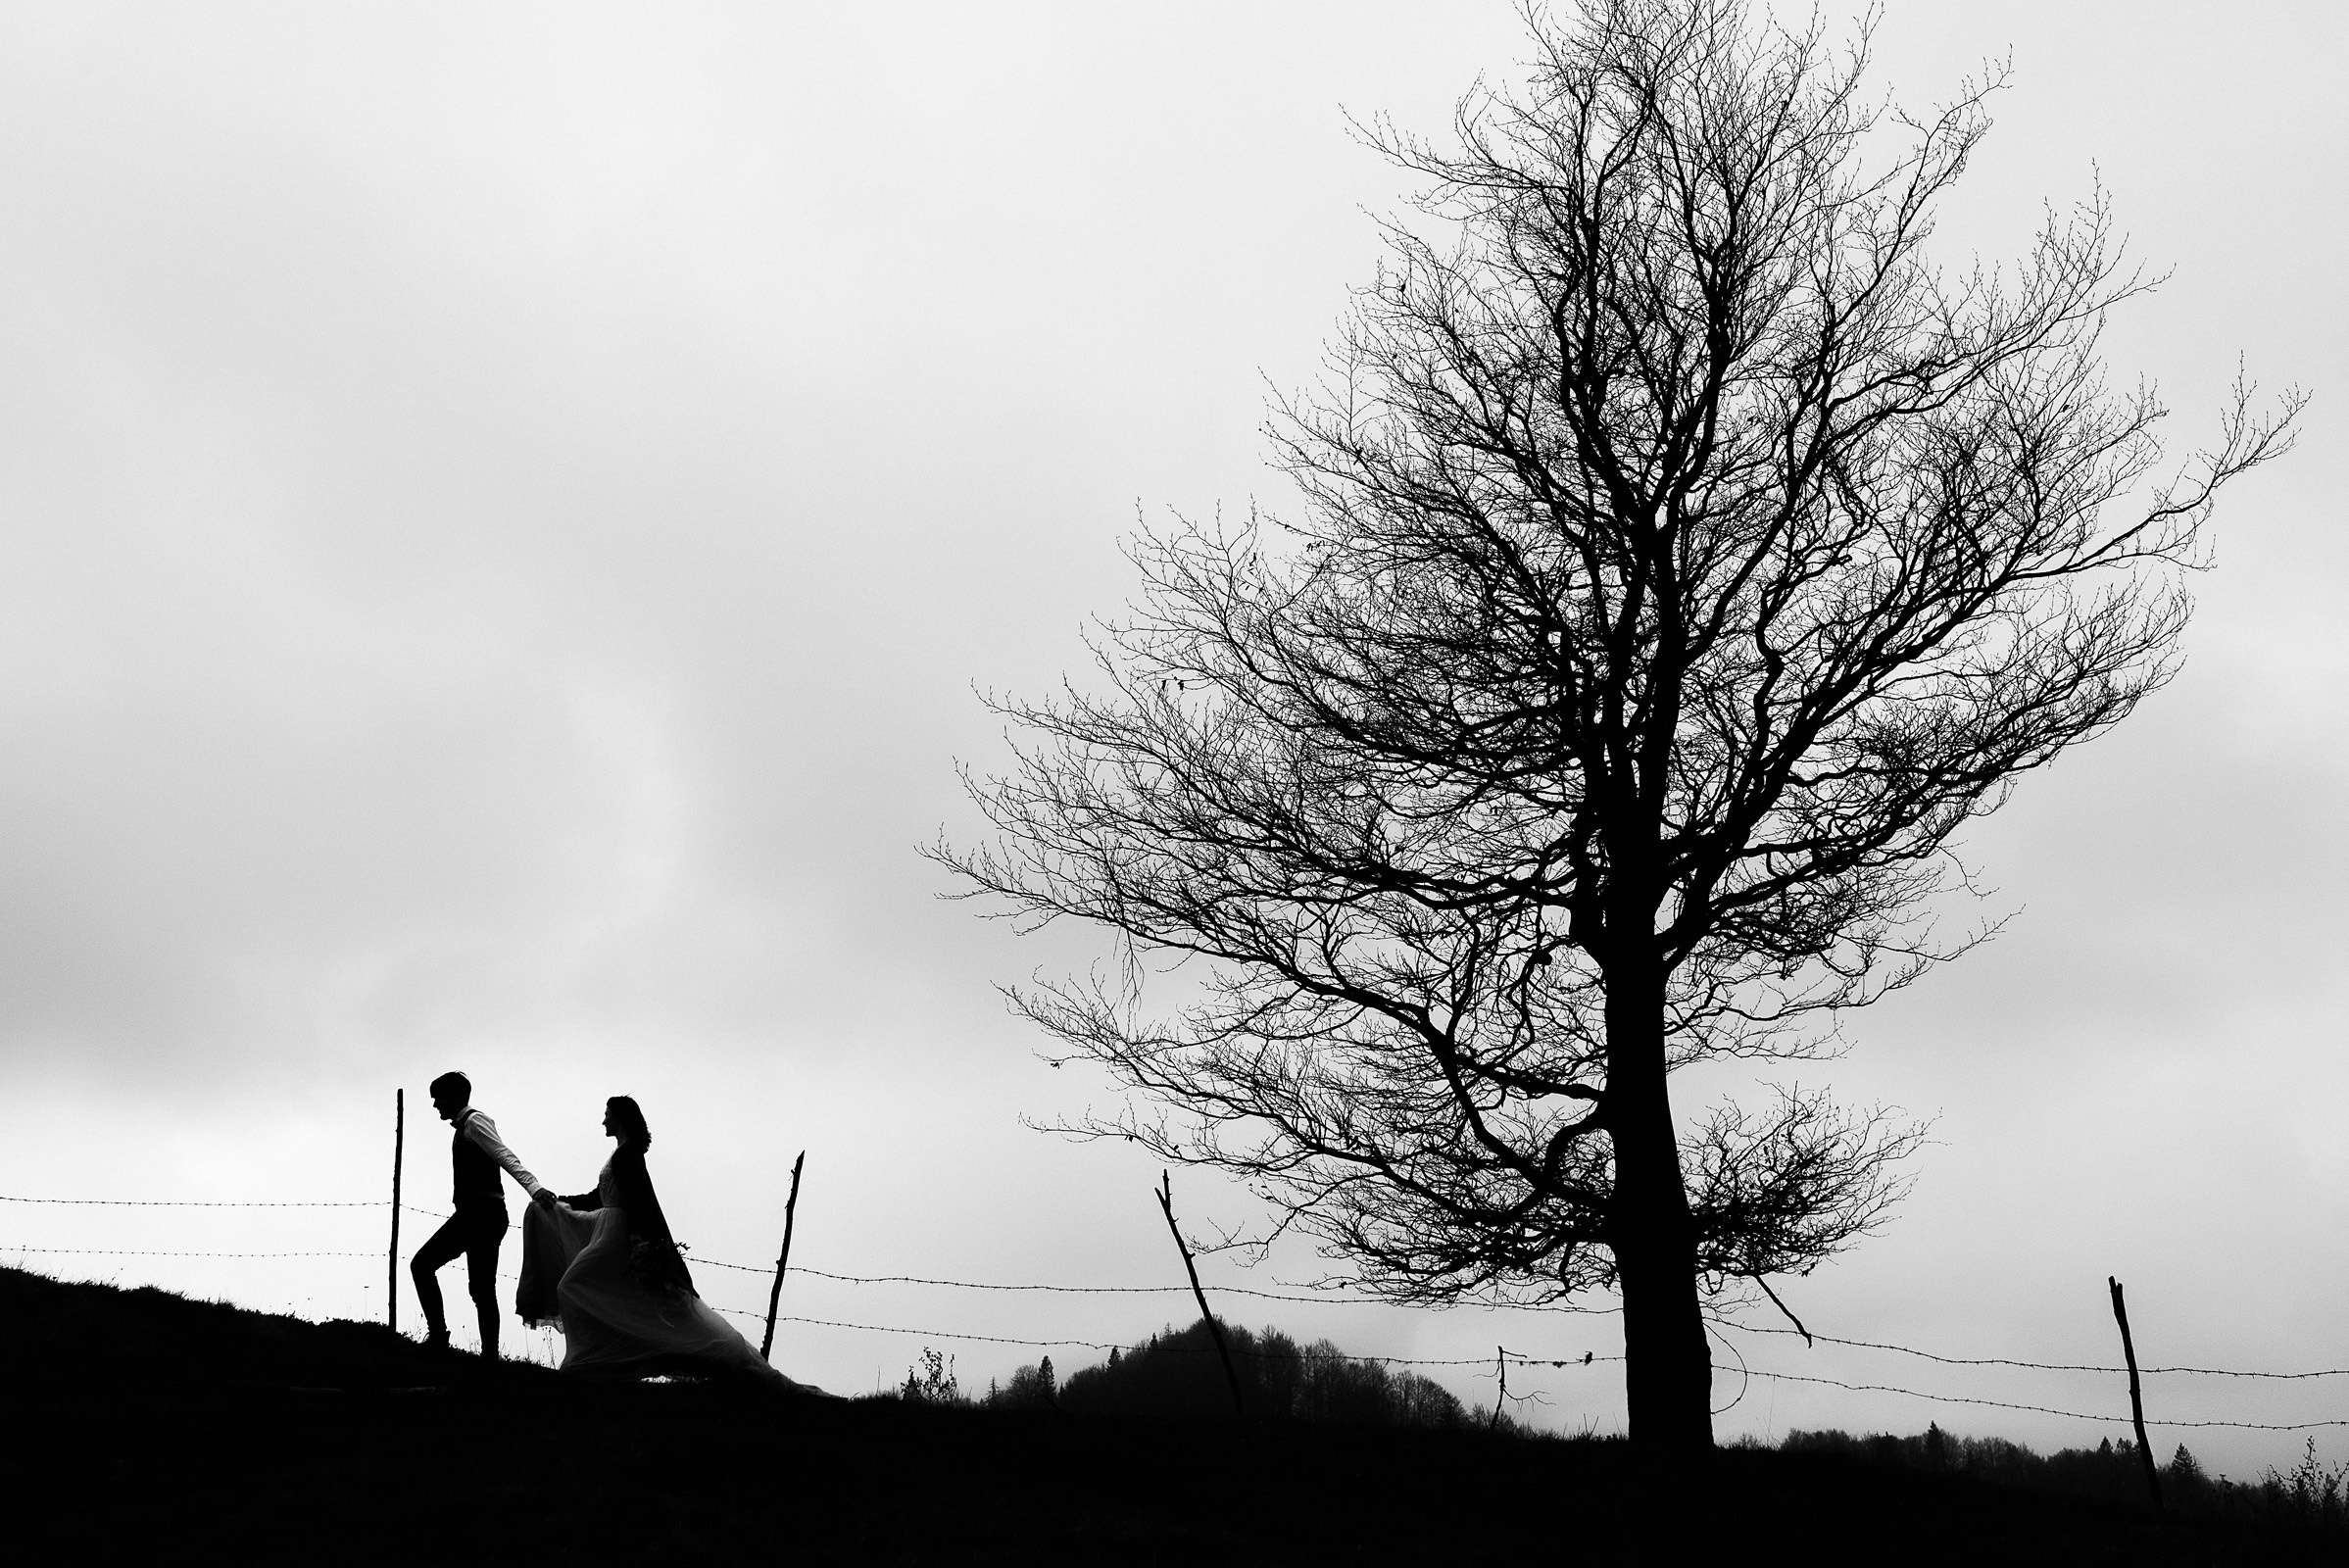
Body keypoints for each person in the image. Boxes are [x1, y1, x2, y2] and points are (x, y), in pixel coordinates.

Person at [517, 1095, 818, 1393]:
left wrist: (645, 1244)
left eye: (607, 1113)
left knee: (571, 1286)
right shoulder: (622, 1154)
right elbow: (598, 1197)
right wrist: (558, 1201)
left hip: (616, 1234)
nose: (603, 1120)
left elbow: (642, 1201)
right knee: (590, 1291)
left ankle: (588, 1361)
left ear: (620, 1117)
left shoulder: (626, 1154)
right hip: (609, 1229)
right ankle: (592, 1363)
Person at [411, 1070, 554, 1359]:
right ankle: (488, 1357)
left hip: (479, 1214)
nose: (435, 1104)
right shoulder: (467, 1125)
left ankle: (442, 1338)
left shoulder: (474, 1122)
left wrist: (534, 1188)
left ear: (453, 1096)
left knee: (423, 1265)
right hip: (484, 1213)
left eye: (438, 1098)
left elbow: (504, 1155)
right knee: (481, 1288)